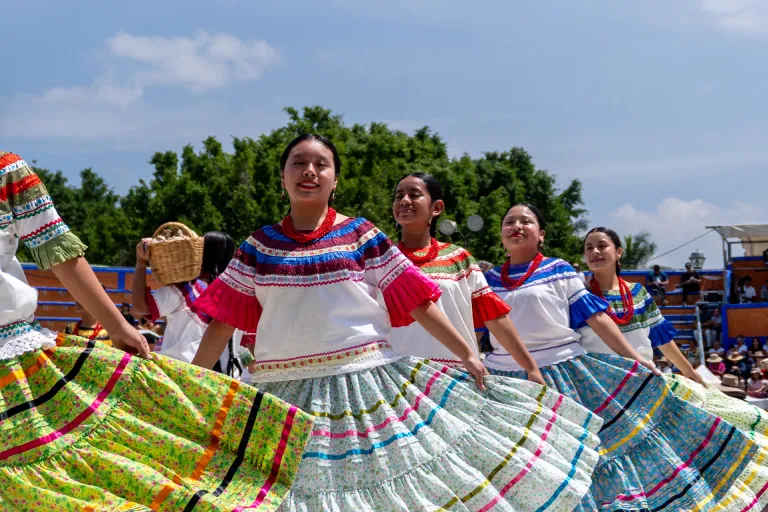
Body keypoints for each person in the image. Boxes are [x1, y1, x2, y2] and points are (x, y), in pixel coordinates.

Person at [190, 134, 603, 511]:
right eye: (298, 163)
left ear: (335, 180)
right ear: (283, 176)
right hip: (283, 392)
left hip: (361, 385)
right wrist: (188, 380)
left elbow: (420, 302)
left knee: (387, 492)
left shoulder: (361, 236)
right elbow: (222, 324)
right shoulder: (257, 246)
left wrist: (467, 353)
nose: (309, 172)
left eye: (321, 164)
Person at [0, 151, 311, 509]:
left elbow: (150, 309)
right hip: (184, 370)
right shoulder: (190, 291)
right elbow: (150, 310)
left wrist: (121, 325)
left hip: (186, 372)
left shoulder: (195, 291)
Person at [481, 203, 766, 510]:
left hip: (594, 378)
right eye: (510, 221)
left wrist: (683, 372)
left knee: (620, 449)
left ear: (542, 235)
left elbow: (649, 334)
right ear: (500, 235)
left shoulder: (563, 273)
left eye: (526, 221)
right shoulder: (487, 280)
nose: (517, 226)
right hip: (511, 379)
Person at [389, 172, 544, 383]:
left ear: (436, 208)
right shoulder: (383, 260)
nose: (404, 201)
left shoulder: (459, 258)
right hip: (398, 377)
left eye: (414, 194)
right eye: (399, 196)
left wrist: (530, 368)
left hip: (458, 375)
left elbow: (494, 317)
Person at [581, 227, 705, 386]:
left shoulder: (639, 293)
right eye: (589, 248)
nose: (595, 251)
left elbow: (663, 340)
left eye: (602, 246)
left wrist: (689, 372)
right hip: (599, 387)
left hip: (643, 381)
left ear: (619, 252)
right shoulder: (580, 295)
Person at [131, 230, 242, 376]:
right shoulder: (235, 297)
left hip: (179, 374)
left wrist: (140, 263)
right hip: (222, 380)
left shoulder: (184, 289)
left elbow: (140, 307)